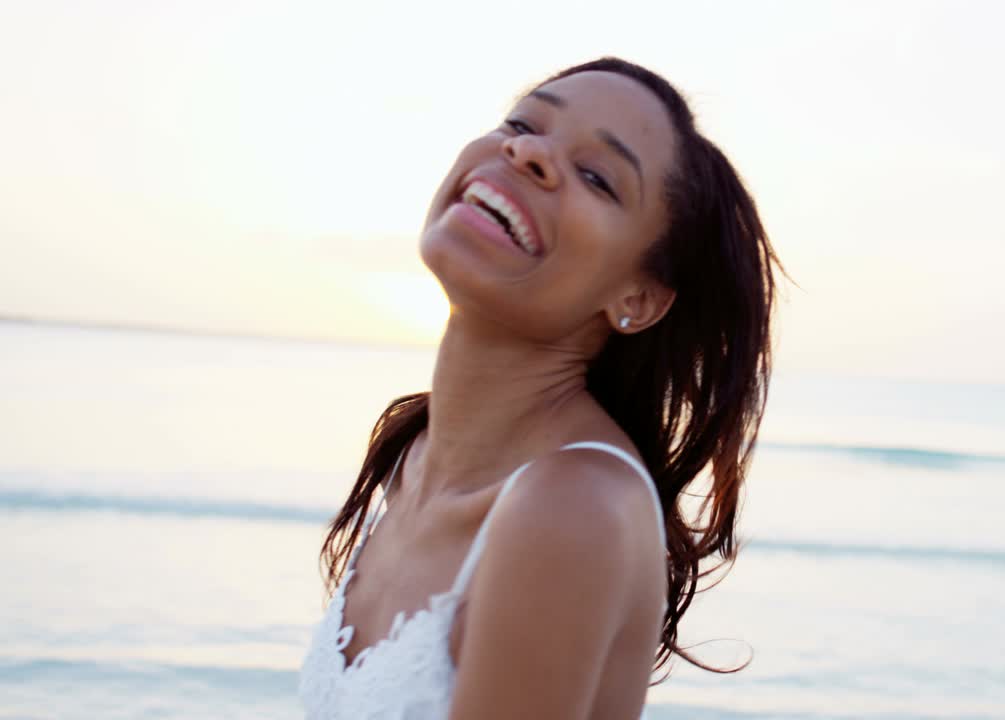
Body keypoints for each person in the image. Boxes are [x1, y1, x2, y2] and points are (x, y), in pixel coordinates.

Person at [298, 56, 781, 720]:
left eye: (596, 177)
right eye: (523, 124)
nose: (528, 153)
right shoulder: (414, 458)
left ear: (636, 297)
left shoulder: (573, 507)